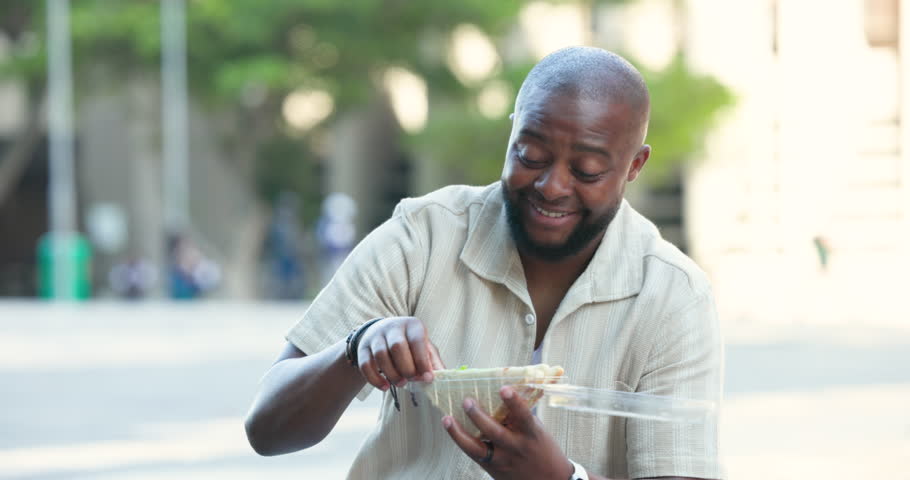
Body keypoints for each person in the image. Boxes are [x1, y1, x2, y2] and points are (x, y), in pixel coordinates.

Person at [244, 46, 722, 480]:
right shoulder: (423, 237)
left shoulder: (672, 296)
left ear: (634, 166)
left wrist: (560, 479)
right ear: (511, 129)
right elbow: (267, 430)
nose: (552, 186)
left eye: (587, 170)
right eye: (530, 154)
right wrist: (356, 347)